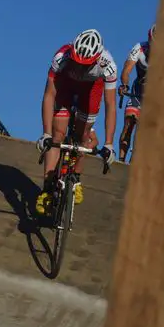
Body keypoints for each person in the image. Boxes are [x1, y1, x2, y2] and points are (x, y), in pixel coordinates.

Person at [35, 29, 116, 216]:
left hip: (91, 89)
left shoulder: (108, 65)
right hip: (66, 86)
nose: (80, 69)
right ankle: (47, 188)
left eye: (85, 65)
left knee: (83, 136)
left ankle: (76, 178)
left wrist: (109, 143)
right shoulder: (61, 57)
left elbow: (110, 105)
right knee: (57, 134)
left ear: (96, 59)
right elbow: (49, 95)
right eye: (77, 63)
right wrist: (46, 134)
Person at [117, 24, 154, 162]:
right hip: (137, 91)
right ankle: (121, 160)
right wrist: (124, 85)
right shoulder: (139, 48)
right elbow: (127, 70)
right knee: (129, 123)